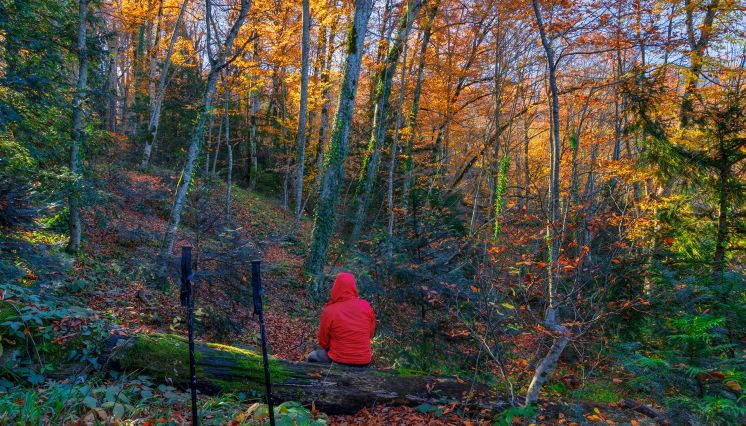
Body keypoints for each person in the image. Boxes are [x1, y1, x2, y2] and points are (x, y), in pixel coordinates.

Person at [307, 272, 375, 366]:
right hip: (364, 361)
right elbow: (370, 333)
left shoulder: (330, 310)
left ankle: (316, 378)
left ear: (336, 288)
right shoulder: (366, 305)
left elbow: (323, 342)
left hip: (338, 359)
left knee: (312, 356)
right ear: (353, 287)